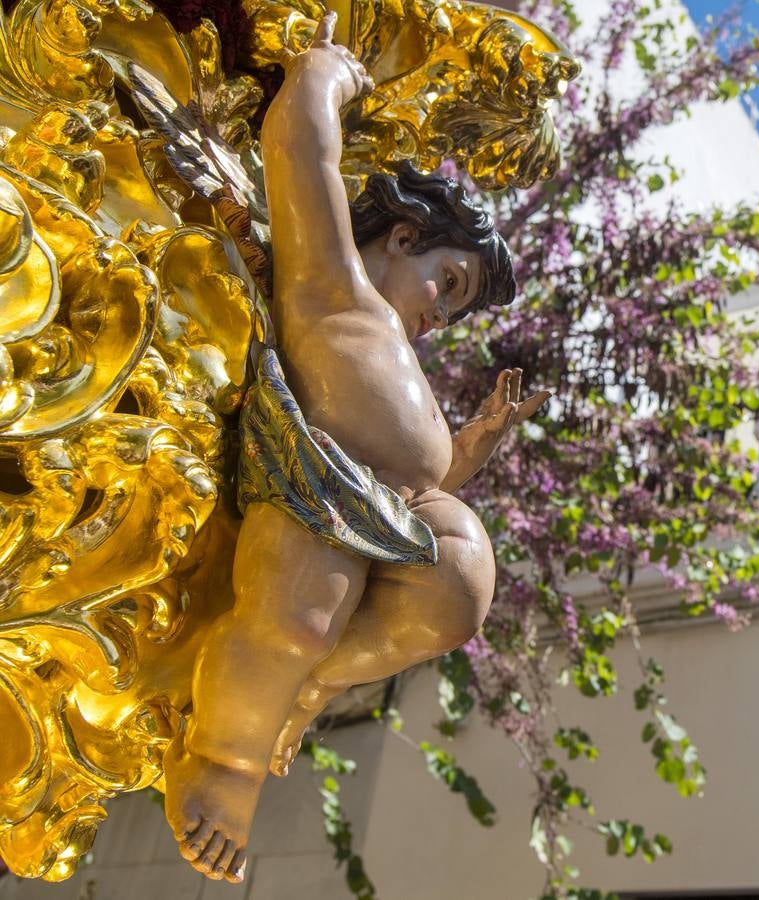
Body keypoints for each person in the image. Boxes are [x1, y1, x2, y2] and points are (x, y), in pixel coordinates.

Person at [160, 15, 550, 884]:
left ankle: (307, 692)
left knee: (457, 593)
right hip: (313, 482)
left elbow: (419, 465)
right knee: (297, 618)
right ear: (403, 237)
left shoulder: (396, 345)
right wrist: (323, 74)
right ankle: (224, 761)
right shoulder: (334, 284)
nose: (439, 317)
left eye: (455, 312)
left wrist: (471, 448)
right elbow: (303, 155)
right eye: (446, 285)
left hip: (388, 511)